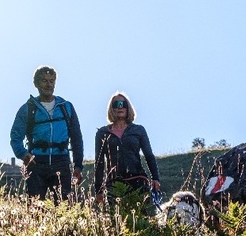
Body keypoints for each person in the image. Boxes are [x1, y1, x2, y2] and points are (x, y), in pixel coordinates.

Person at [9, 66, 84, 202]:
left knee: (63, 208)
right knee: (36, 209)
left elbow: (76, 138)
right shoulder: (28, 109)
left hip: (62, 162)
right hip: (36, 164)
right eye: (44, 81)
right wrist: (23, 153)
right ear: (36, 84)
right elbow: (15, 136)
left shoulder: (66, 107)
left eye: (51, 81)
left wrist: (78, 166)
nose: (48, 85)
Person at [93, 92, 161, 205]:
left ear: (128, 107)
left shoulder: (138, 130)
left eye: (123, 103)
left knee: (140, 218)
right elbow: (99, 163)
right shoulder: (102, 133)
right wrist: (98, 190)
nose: (120, 107)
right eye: (116, 104)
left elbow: (149, 155)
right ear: (111, 109)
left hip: (138, 180)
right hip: (113, 184)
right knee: (116, 219)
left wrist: (155, 178)